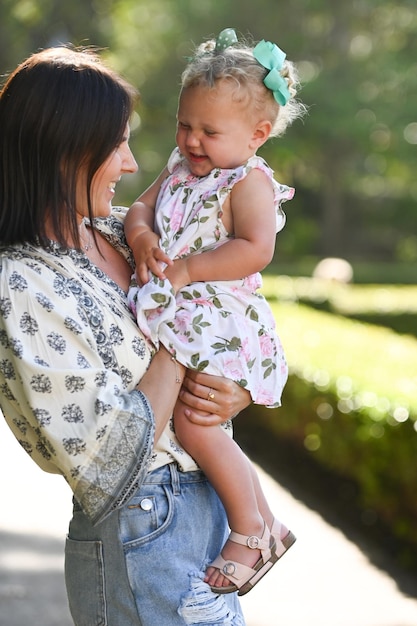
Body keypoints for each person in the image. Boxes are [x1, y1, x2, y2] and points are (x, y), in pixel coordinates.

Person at [0, 46, 253, 626]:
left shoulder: (121, 236)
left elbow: (230, 314)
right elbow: (107, 462)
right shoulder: (22, 283)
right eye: (117, 144)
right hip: (138, 530)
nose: (132, 165)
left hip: (196, 515)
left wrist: (233, 389)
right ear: (67, 150)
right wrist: (180, 337)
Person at [126, 28, 306, 596]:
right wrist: (139, 239)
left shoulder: (247, 181)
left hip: (218, 319)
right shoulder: (180, 165)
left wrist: (186, 269)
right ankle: (267, 524)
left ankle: (252, 529)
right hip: (183, 313)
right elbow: (141, 206)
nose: (192, 140)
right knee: (193, 421)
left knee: (195, 423)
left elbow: (256, 249)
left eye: (209, 131)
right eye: (184, 125)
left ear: (256, 136)